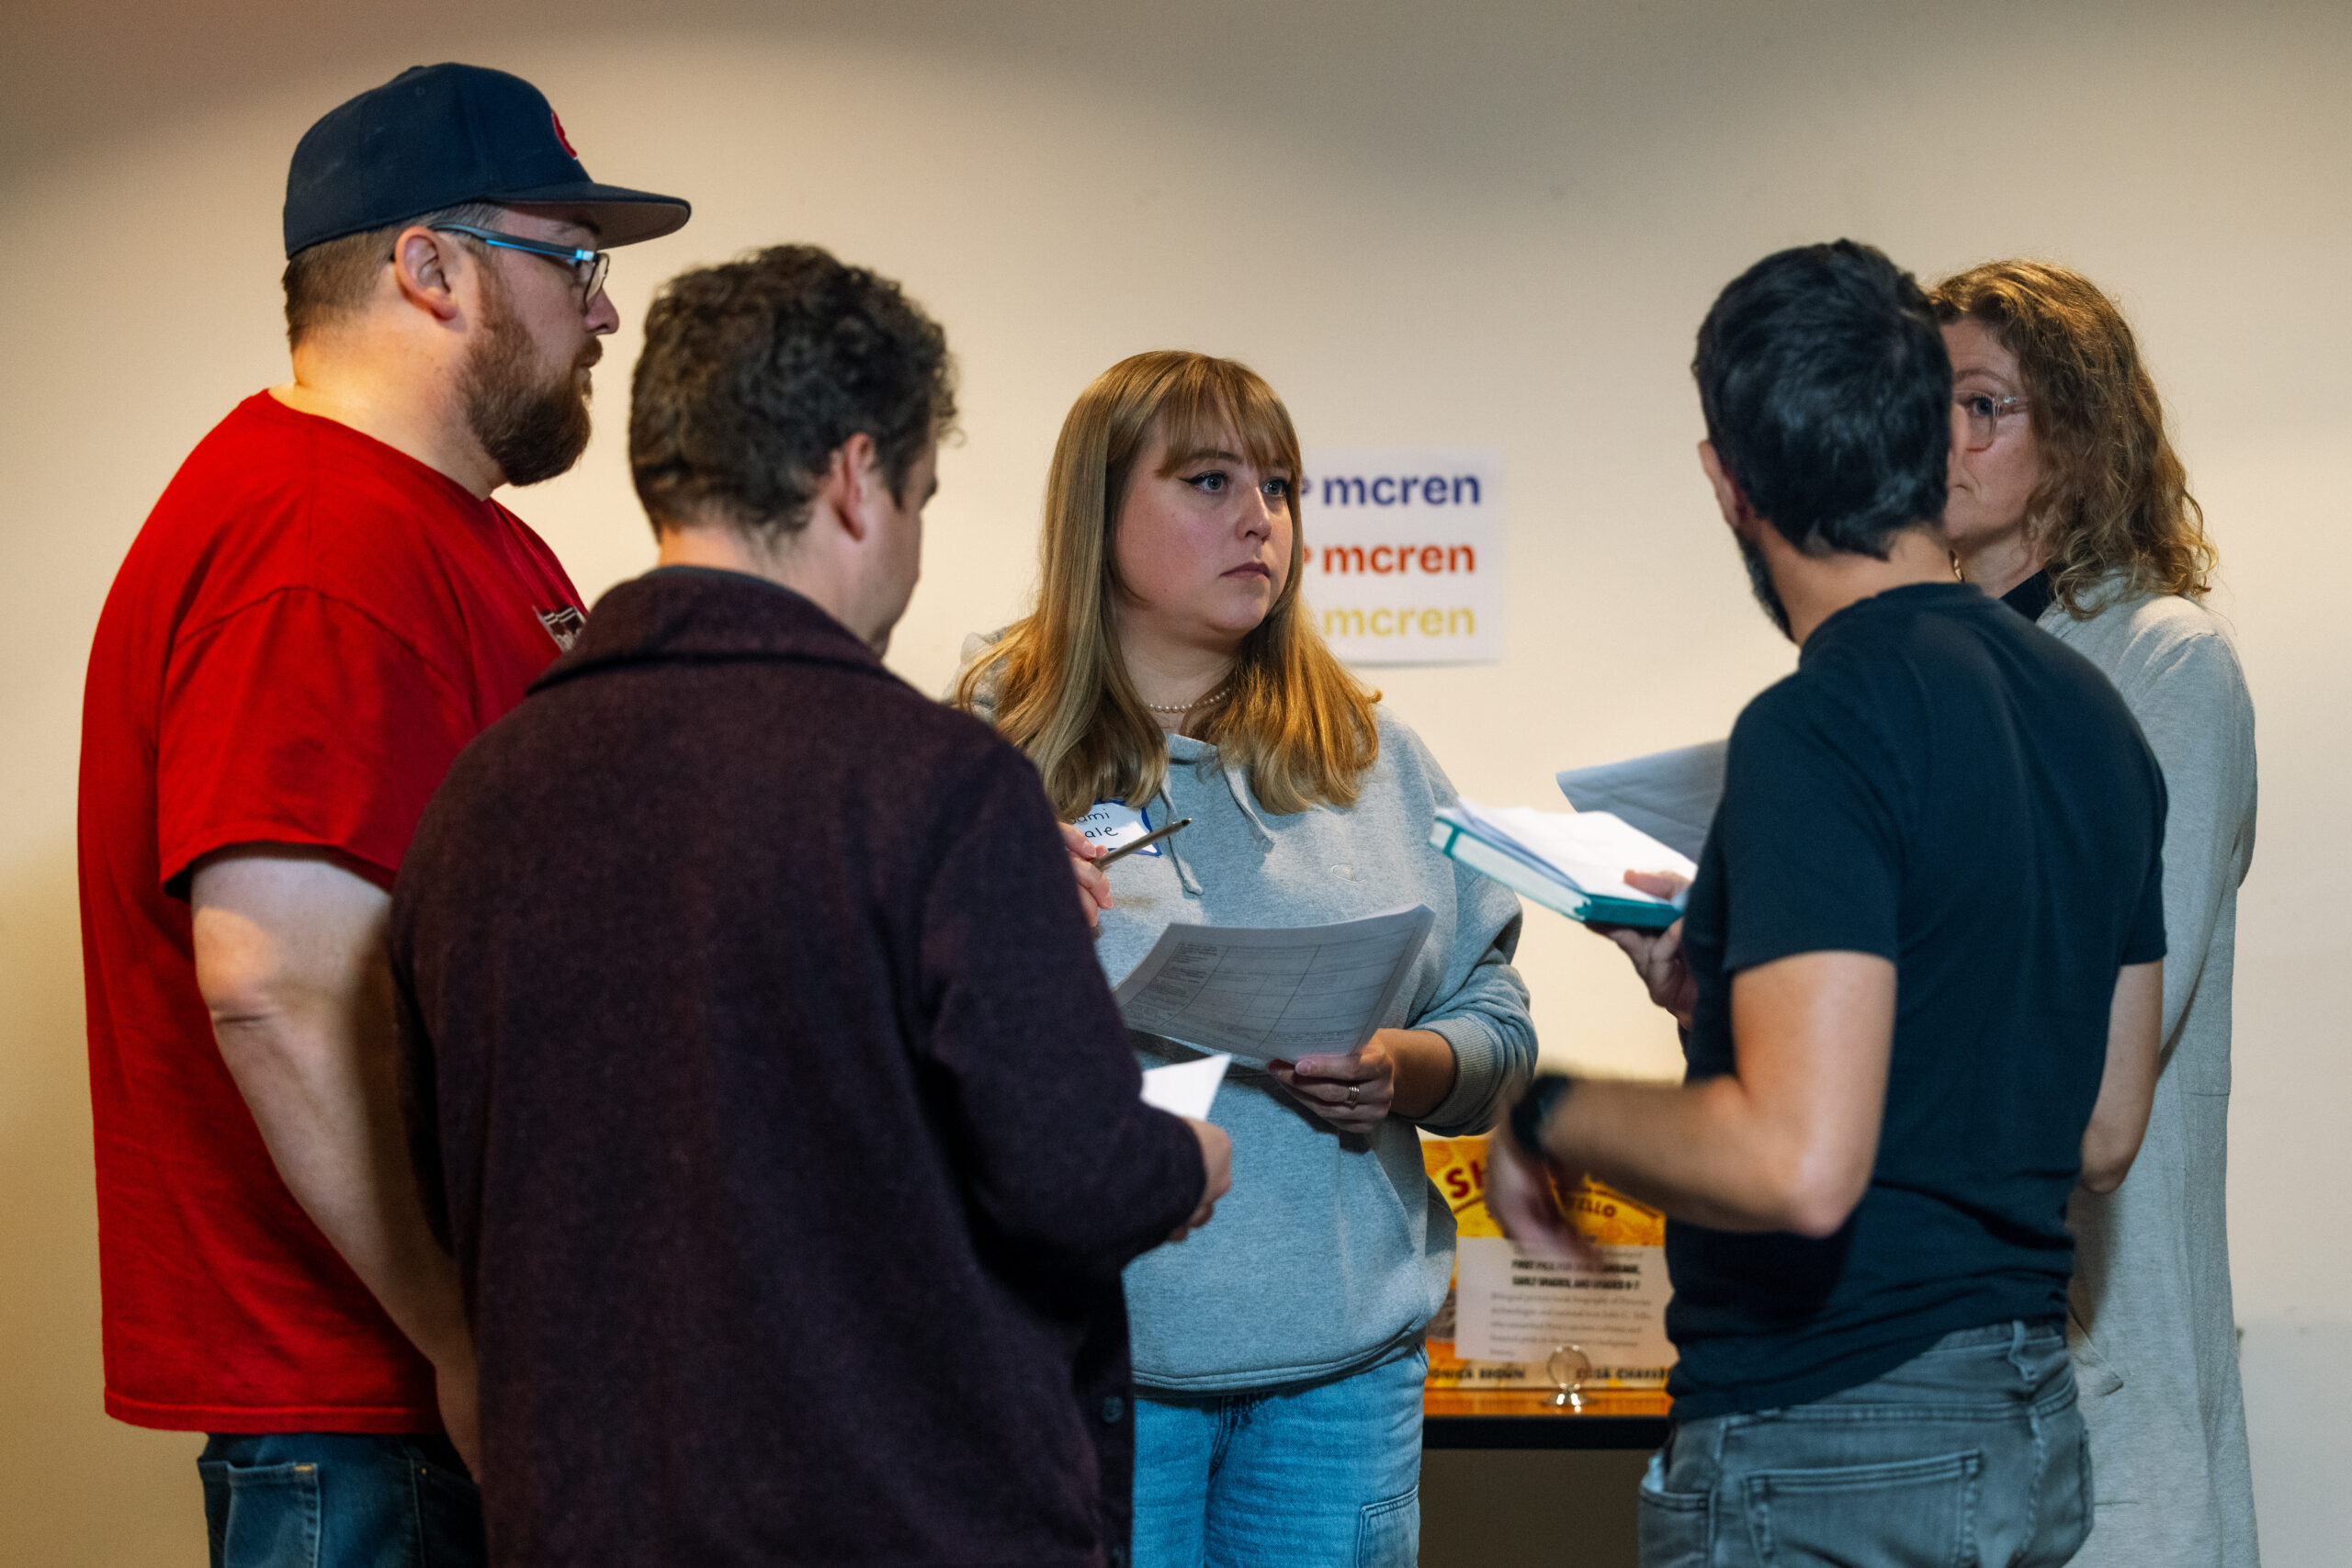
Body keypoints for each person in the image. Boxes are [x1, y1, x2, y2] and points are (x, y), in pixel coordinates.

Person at [390, 245, 1228, 1566]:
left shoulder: (482, 797)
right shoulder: (941, 790)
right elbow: (1076, 1180)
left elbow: (452, 1185)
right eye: (921, 495)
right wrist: (1184, 1162)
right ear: (855, 480)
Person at [75, 62, 686, 1566]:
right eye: (574, 263)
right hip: (372, 1424)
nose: (605, 313)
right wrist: (460, 1334)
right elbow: (277, 985)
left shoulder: (476, 538)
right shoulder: (315, 541)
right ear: (431, 269)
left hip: (455, 1395)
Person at [1485, 241, 2168, 1568]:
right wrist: (1726, 1000)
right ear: (1928, 436)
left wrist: (1548, 1112)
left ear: (1726, 483)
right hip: (2024, 1428)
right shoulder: (2093, 717)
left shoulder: (1819, 725)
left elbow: (1797, 1165)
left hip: (1837, 1447)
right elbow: (2100, 1128)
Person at [953, 349, 1536, 1568]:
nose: (1260, 520)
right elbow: (901, 1060)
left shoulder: (1376, 756)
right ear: (1095, 512)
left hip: (1340, 1383)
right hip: (1089, 1369)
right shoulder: (978, 760)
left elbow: (1497, 1017)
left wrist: (1409, 1067)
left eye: (1278, 486)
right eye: (1210, 481)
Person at [1934, 258, 2259, 1568]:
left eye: (1980, 407)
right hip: (1922, 1357)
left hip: (2092, 1358)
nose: (1936, 441)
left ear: (2076, 435)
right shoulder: (1920, 663)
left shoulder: (2164, 663)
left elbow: (2100, 1035)